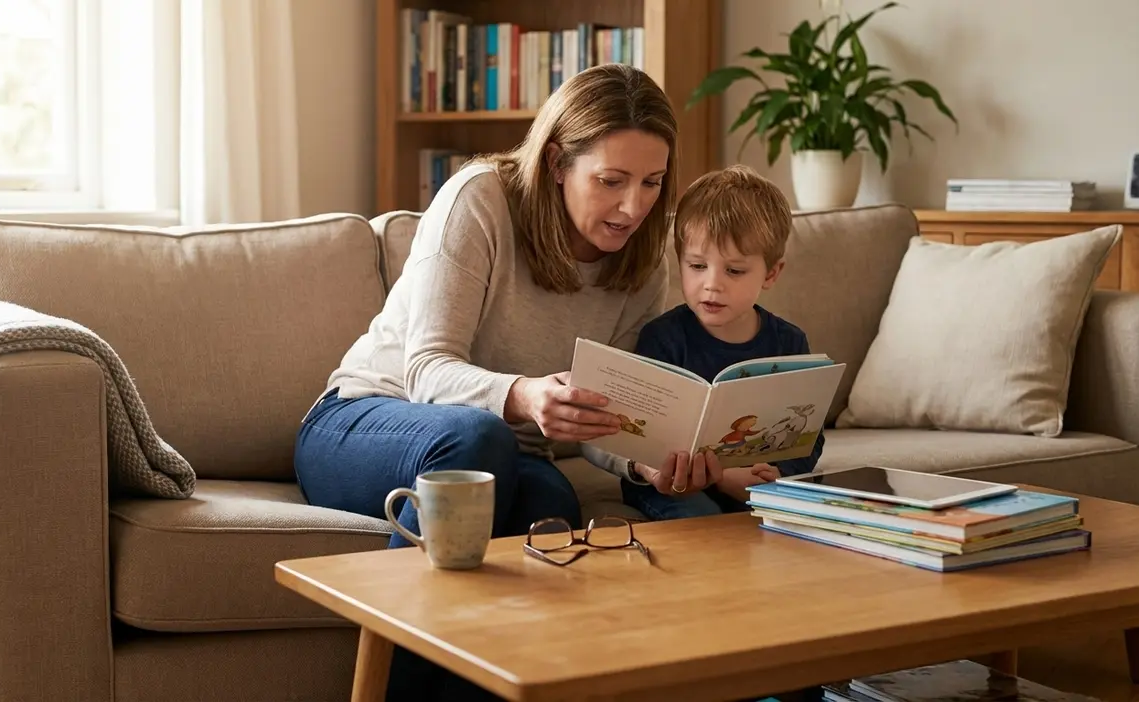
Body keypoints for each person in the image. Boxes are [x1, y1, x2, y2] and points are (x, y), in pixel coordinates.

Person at [293, 63, 711, 701]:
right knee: (478, 439)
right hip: (361, 422)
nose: (634, 206)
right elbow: (426, 370)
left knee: (550, 499)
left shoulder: (644, 258)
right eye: (611, 181)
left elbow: (603, 412)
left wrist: (645, 463)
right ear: (557, 164)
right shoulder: (480, 199)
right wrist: (524, 396)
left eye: (652, 183)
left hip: (504, 457)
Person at [581, 164, 826, 521]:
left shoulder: (789, 342)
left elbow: (809, 435)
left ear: (771, 273)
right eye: (697, 266)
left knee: (807, 513)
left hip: (754, 484)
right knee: (700, 515)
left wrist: (778, 473)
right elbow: (638, 434)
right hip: (670, 486)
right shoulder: (663, 337)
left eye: (734, 271)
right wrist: (722, 476)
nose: (712, 284)